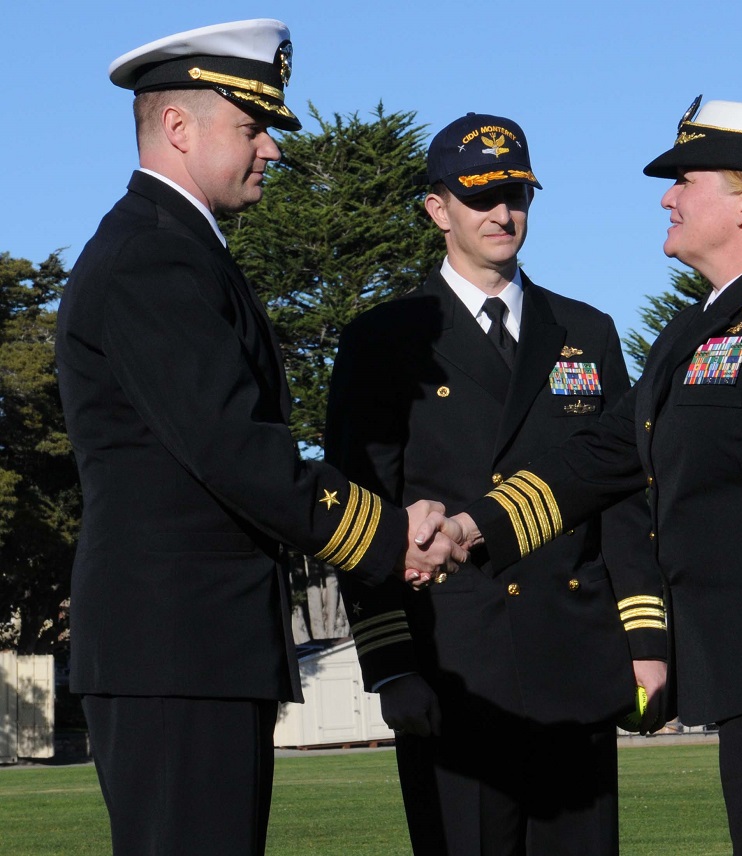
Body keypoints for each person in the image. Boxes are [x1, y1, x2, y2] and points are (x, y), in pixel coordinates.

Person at [441, 98, 742, 855]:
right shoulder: (702, 327)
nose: (666, 196)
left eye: (685, 179)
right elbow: (609, 455)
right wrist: (471, 526)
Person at [56, 20, 464, 855]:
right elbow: (237, 451)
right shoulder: (154, 259)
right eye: (251, 127)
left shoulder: (178, 251)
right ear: (178, 127)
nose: (272, 149)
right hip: (176, 651)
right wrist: (391, 537)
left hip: (191, 649)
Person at [326, 112, 669, 856]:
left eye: (516, 194)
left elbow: (622, 497)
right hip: (455, 672)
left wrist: (644, 636)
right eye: (480, 197)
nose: (502, 213)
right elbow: (362, 519)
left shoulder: (586, 331)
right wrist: (391, 668)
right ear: (436, 209)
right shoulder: (385, 340)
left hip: (574, 662)